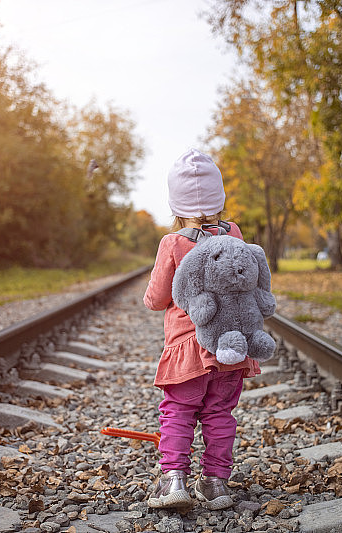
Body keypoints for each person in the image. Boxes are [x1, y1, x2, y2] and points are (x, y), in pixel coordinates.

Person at [143, 148, 263, 511]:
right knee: (219, 414)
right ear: (220, 199)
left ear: (176, 205)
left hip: (187, 349)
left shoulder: (173, 243)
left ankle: (174, 480)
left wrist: (157, 298)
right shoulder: (236, 234)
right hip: (230, 346)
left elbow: (156, 297)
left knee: (178, 411)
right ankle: (215, 485)